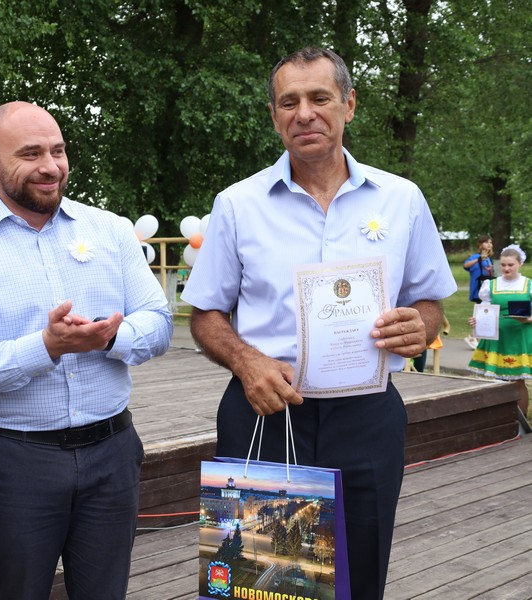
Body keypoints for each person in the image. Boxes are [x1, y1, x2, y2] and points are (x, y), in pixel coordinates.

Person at [180, 47, 456, 600]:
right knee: (263, 585)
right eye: (289, 102)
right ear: (274, 115)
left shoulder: (401, 199)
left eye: (319, 98)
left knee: (359, 575)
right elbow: (205, 314)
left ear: (349, 105)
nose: (304, 113)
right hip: (269, 410)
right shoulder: (238, 204)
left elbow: (432, 306)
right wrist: (244, 359)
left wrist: (420, 326)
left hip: (367, 416)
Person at [0, 101, 173, 600]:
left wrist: (109, 336)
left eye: (58, 150)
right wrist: (46, 346)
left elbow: (159, 321)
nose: (51, 166)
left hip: (113, 451)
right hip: (19, 459)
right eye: (31, 153)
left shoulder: (110, 230)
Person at [468, 244, 532, 379]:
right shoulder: (490, 285)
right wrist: (477, 321)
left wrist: (528, 319)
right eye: (503, 265)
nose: (506, 268)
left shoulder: (529, 285)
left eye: (510, 265)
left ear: (520, 263)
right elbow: (485, 310)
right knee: (498, 382)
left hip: (521, 338)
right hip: (497, 337)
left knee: (518, 383)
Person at [463, 235, 495, 348]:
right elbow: (465, 265)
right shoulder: (475, 257)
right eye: (486, 242)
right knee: (480, 312)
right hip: (478, 289)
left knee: (485, 312)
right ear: (480, 245)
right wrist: (478, 259)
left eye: (490, 242)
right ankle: (473, 337)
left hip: (487, 289)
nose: (489, 245)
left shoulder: (489, 259)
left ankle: (477, 337)